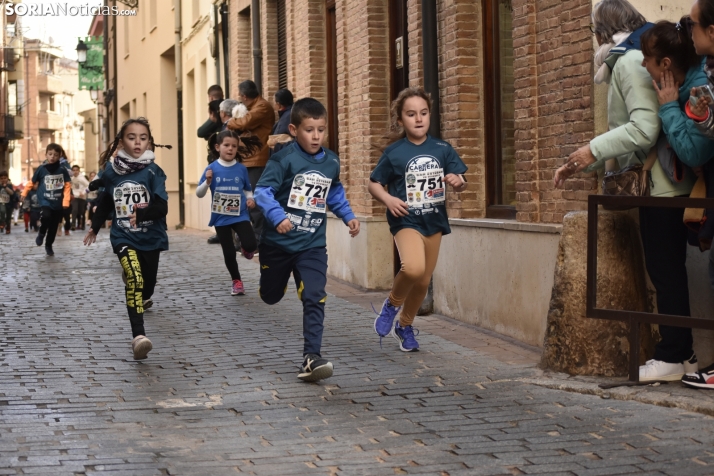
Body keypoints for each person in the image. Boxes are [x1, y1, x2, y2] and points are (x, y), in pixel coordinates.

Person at [554, 0, 700, 382]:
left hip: (662, 186)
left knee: (665, 272)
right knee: (669, 272)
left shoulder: (631, 61)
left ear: (601, 32)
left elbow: (644, 129)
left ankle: (671, 356)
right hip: (666, 184)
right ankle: (682, 356)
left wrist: (592, 151)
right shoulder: (636, 57)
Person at [254, 97, 360, 382]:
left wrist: (348, 215)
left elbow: (334, 192)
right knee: (270, 296)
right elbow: (263, 192)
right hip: (277, 244)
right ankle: (274, 282)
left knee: (315, 296)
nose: (316, 136)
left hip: (311, 245)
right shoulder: (283, 159)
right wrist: (278, 217)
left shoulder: (331, 161)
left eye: (321, 130)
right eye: (309, 130)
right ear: (293, 130)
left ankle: (312, 357)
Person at [369, 88, 468, 352]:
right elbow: (374, 183)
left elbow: (460, 178)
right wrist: (388, 200)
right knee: (412, 268)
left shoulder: (442, 148)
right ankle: (391, 304)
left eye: (423, 113)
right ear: (401, 120)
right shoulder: (394, 152)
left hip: (433, 221)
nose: (419, 119)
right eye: (411, 114)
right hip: (406, 220)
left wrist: (458, 181)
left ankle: (405, 326)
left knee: (423, 280)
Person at [83, 117, 171, 361]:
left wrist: (141, 212)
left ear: (149, 142)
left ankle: (142, 289)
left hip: (151, 237)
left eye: (143, 138)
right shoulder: (112, 171)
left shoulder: (154, 171)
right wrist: (95, 227)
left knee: (147, 285)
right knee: (134, 278)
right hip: (124, 235)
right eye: (132, 137)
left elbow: (162, 206)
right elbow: (105, 201)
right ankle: (139, 337)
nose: (137, 142)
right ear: (122, 141)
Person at [196, 130, 262, 295]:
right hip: (221, 217)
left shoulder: (241, 169)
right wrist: (207, 182)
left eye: (234, 146)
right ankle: (237, 281)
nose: (230, 149)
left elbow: (247, 190)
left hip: (240, 213)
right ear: (218, 147)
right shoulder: (211, 169)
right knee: (229, 252)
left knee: (252, 244)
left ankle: (246, 249)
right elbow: (199, 193)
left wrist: (250, 199)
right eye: (226, 145)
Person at [228, 80, 276, 248]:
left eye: (241, 98)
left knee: (255, 201)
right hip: (248, 159)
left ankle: (258, 239)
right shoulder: (255, 107)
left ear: (244, 96)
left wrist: (231, 121)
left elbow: (243, 122)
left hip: (257, 159)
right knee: (247, 201)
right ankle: (249, 238)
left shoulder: (262, 107)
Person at [21, 143, 71, 255]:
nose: (52, 156)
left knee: (54, 226)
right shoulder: (41, 169)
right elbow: (32, 182)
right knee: (46, 216)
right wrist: (24, 193)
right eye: (50, 154)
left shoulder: (62, 170)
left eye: (56, 155)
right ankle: (42, 232)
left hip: (58, 202)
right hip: (45, 199)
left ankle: (49, 245)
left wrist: (66, 200)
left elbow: (67, 185)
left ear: (59, 156)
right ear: (46, 155)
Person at [198, 85, 225, 245]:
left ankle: (222, 232)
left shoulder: (217, 112)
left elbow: (200, 132)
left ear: (211, 98)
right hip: (219, 162)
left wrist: (211, 118)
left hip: (217, 163)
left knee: (218, 197)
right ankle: (222, 232)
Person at [269, 89, 294, 155]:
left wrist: (278, 147)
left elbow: (298, 141)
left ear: (279, 105)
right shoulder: (286, 116)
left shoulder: (289, 117)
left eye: (274, 103)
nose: (274, 106)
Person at [70, 165, 89, 231]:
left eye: (76, 170)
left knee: (82, 211)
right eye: (73, 170)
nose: (75, 172)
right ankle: (73, 225)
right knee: (74, 210)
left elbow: (89, 186)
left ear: (79, 171)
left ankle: (82, 225)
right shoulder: (71, 178)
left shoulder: (82, 178)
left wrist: (83, 192)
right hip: (74, 197)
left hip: (82, 197)